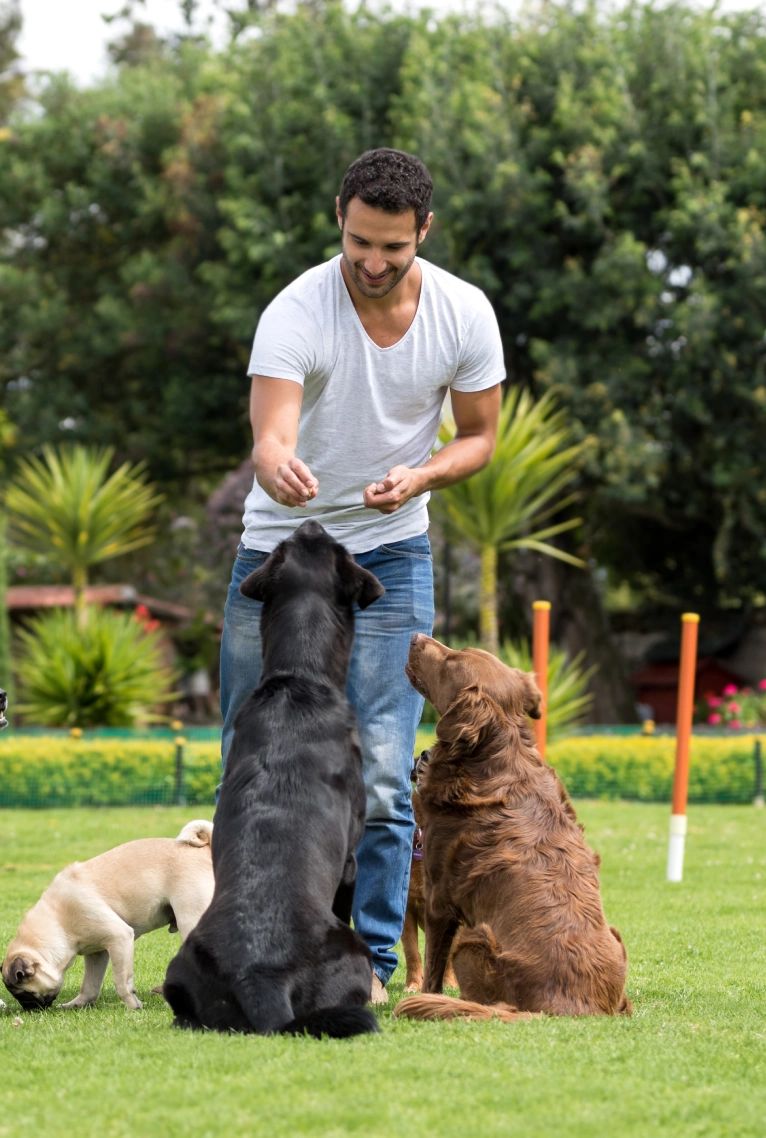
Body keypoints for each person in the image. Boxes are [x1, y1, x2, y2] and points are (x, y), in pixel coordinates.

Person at [219, 147, 504, 1002]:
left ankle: (372, 966)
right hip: (279, 558)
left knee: (382, 771)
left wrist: (421, 477)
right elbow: (272, 430)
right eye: (358, 243)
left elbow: (479, 436)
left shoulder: (463, 313)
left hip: (389, 556)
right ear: (337, 216)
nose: (373, 264)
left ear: (425, 230)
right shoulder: (297, 309)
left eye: (394, 248)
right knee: (249, 759)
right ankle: (240, 943)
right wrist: (276, 464)